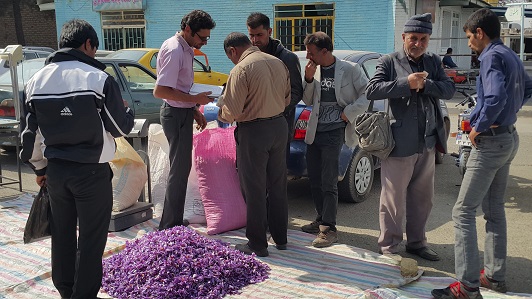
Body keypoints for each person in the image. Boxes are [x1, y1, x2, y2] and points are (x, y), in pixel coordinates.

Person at [19, 19, 135, 299]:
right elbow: (119, 129)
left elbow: (29, 136)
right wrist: (127, 112)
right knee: (91, 241)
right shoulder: (98, 78)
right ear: (87, 45)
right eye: (94, 49)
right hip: (91, 174)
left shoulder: (35, 81)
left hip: (56, 173)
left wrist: (41, 168)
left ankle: (65, 290)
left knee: (62, 236)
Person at [432, 8, 532, 299]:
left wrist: (479, 126)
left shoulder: (490, 56)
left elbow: (495, 96)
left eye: (469, 37)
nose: (469, 45)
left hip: (489, 143)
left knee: (462, 212)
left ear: (480, 33)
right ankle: (494, 277)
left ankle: (466, 287)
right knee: (494, 210)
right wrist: (508, 112)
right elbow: (527, 87)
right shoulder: (510, 54)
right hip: (508, 140)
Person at [365, 13, 455, 261]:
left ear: (429, 39)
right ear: (403, 37)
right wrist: (407, 83)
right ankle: (389, 246)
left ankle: (417, 243)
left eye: (423, 39)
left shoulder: (434, 61)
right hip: (398, 144)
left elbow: (448, 89)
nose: (418, 43)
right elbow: (372, 89)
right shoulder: (389, 61)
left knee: (422, 199)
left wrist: (426, 85)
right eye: (413, 38)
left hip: (427, 143)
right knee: (393, 201)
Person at [217, 32, 290, 257]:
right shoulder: (278, 62)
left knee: (254, 188)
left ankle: (257, 243)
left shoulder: (241, 69)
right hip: (279, 126)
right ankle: (280, 238)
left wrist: (218, 111)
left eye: (230, 56)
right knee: (278, 185)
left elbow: (232, 112)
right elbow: (287, 99)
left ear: (232, 51)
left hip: (254, 131)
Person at [299, 32, 368, 248]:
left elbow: (368, 94)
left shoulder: (350, 69)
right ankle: (320, 219)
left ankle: (329, 229)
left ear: (325, 51)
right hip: (315, 130)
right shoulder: (314, 69)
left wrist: (349, 111)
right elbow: (308, 100)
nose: (308, 56)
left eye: (311, 52)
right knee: (315, 179)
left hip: (335, 131)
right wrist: (308, 79)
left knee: (329, 180)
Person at [153, 10, 215, 231]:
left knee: (182, 169)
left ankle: (174, 222)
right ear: (188, 29)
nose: (204, 42)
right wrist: (194, 100)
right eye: (202, 37)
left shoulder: (187, 48)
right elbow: (161, 91)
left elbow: (179, 86)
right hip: (174, 113)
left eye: (207, 38)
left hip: (182, 111)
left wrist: (194, 109)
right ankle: (169, 226)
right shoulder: (174, 49)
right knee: (178, 171)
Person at [246, 12, 303, 144]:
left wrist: (276, 111)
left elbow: (296, 92)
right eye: (251, 35)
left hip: (279, 126)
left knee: (279, 164)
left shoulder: (288, 58)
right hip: (253, 127)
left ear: (269, 31)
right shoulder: (247, 58)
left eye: (259, 35)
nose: (255, 40)